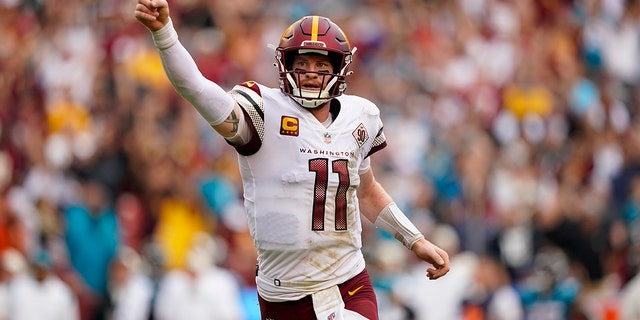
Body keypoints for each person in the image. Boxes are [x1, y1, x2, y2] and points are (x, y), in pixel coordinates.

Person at [134, 1, 450, 319]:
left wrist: (415, 240)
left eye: (322, 64)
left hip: (348, 282)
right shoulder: (262, 112)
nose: (312, 73)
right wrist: (164, 34)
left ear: (340, 68)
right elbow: (197, 89)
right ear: (285, 63)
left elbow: (366, 191)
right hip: (284, 295)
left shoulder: (360, 117)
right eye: (303, 63)